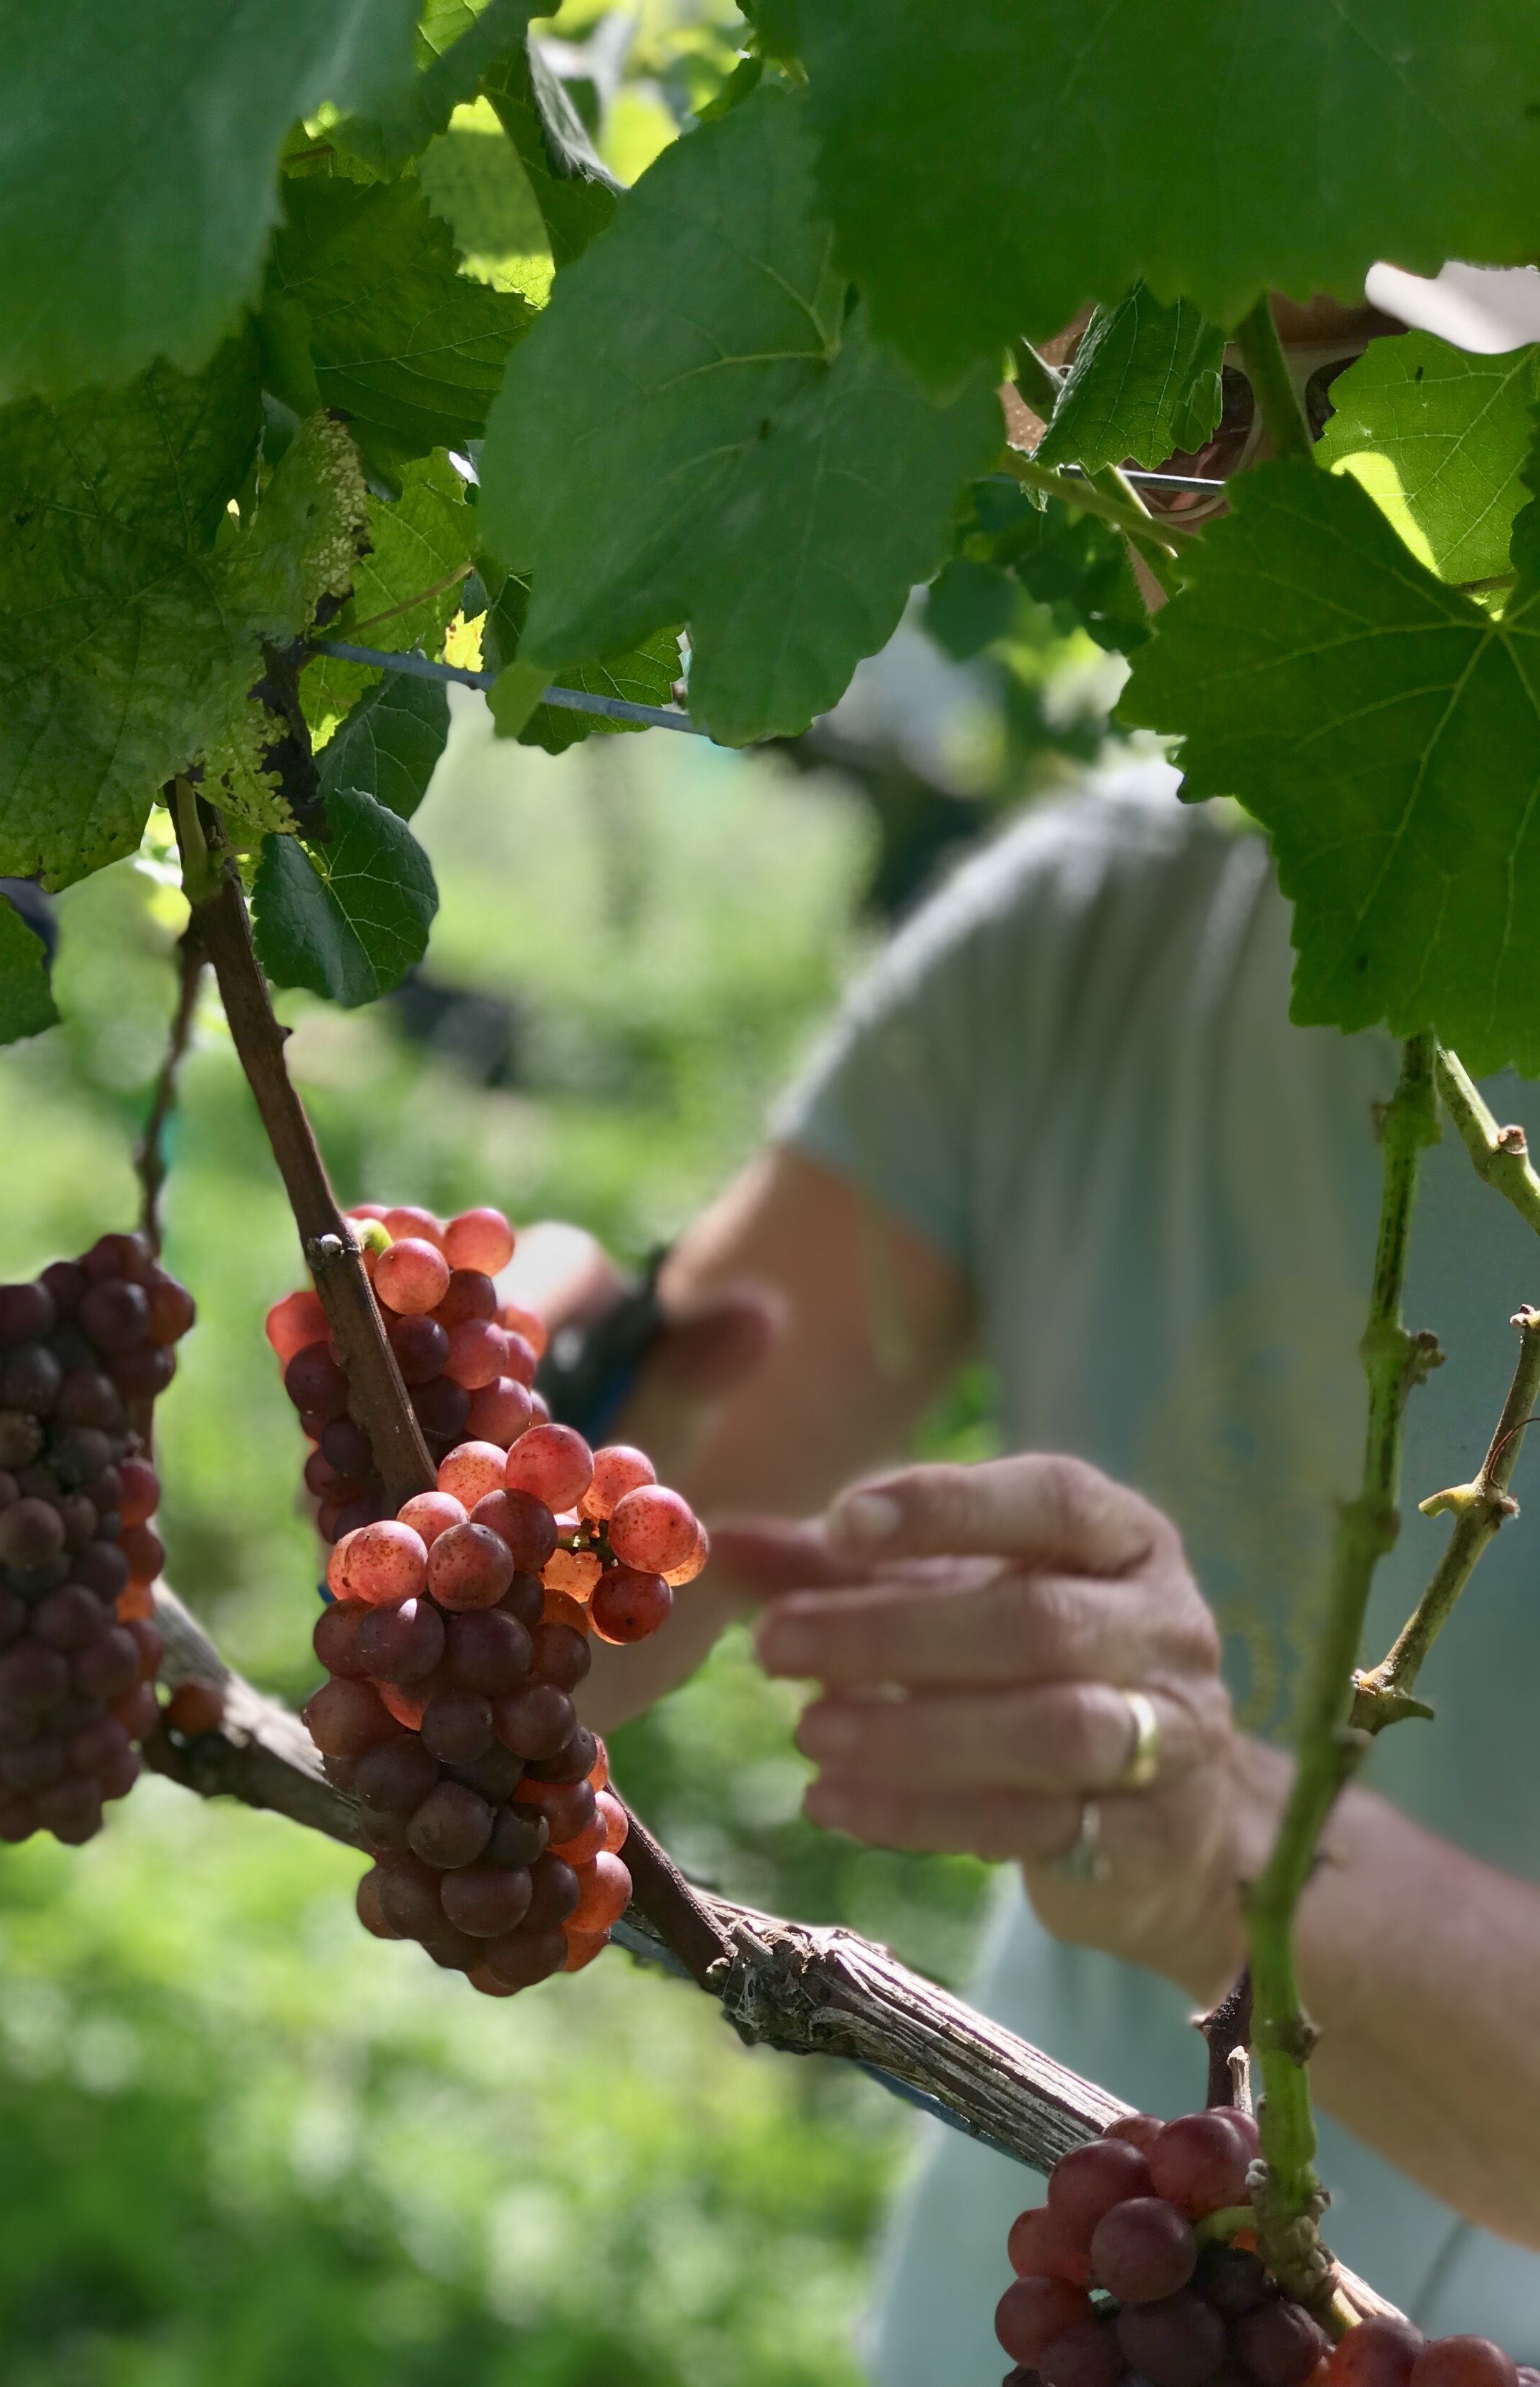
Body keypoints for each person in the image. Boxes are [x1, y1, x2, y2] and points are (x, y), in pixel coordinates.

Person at [504, 289, 1540, 2368]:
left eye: (1345, 374)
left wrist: (1227, 1845)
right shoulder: (1096, 932)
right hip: (1037, 2313)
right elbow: (627, 1587)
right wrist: (492, 1456)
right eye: (1174, 386)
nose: (1226, 474)